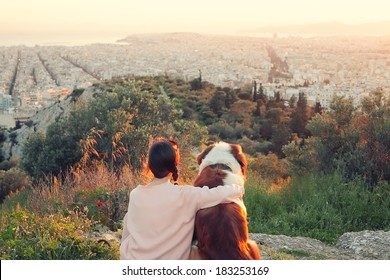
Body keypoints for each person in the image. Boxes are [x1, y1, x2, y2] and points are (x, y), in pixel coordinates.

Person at [120, 138, 244, 260]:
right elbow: (225, 193)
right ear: (174, 165)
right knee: (197, 253)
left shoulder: (135, 194)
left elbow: (128, 232)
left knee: (128, 218)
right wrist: (238, 186)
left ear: (149, 165)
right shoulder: (187, 195)